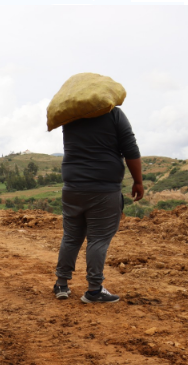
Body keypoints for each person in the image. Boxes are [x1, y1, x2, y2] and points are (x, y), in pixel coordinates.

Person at [53, 106, 143, 304]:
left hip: (72, 188)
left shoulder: (70, 115)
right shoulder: (113, 114)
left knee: (71, 236)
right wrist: (138, 181)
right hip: (103, 189)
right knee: (98, 239)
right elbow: (130, 149)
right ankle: (94, 290)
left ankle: (61, 284)